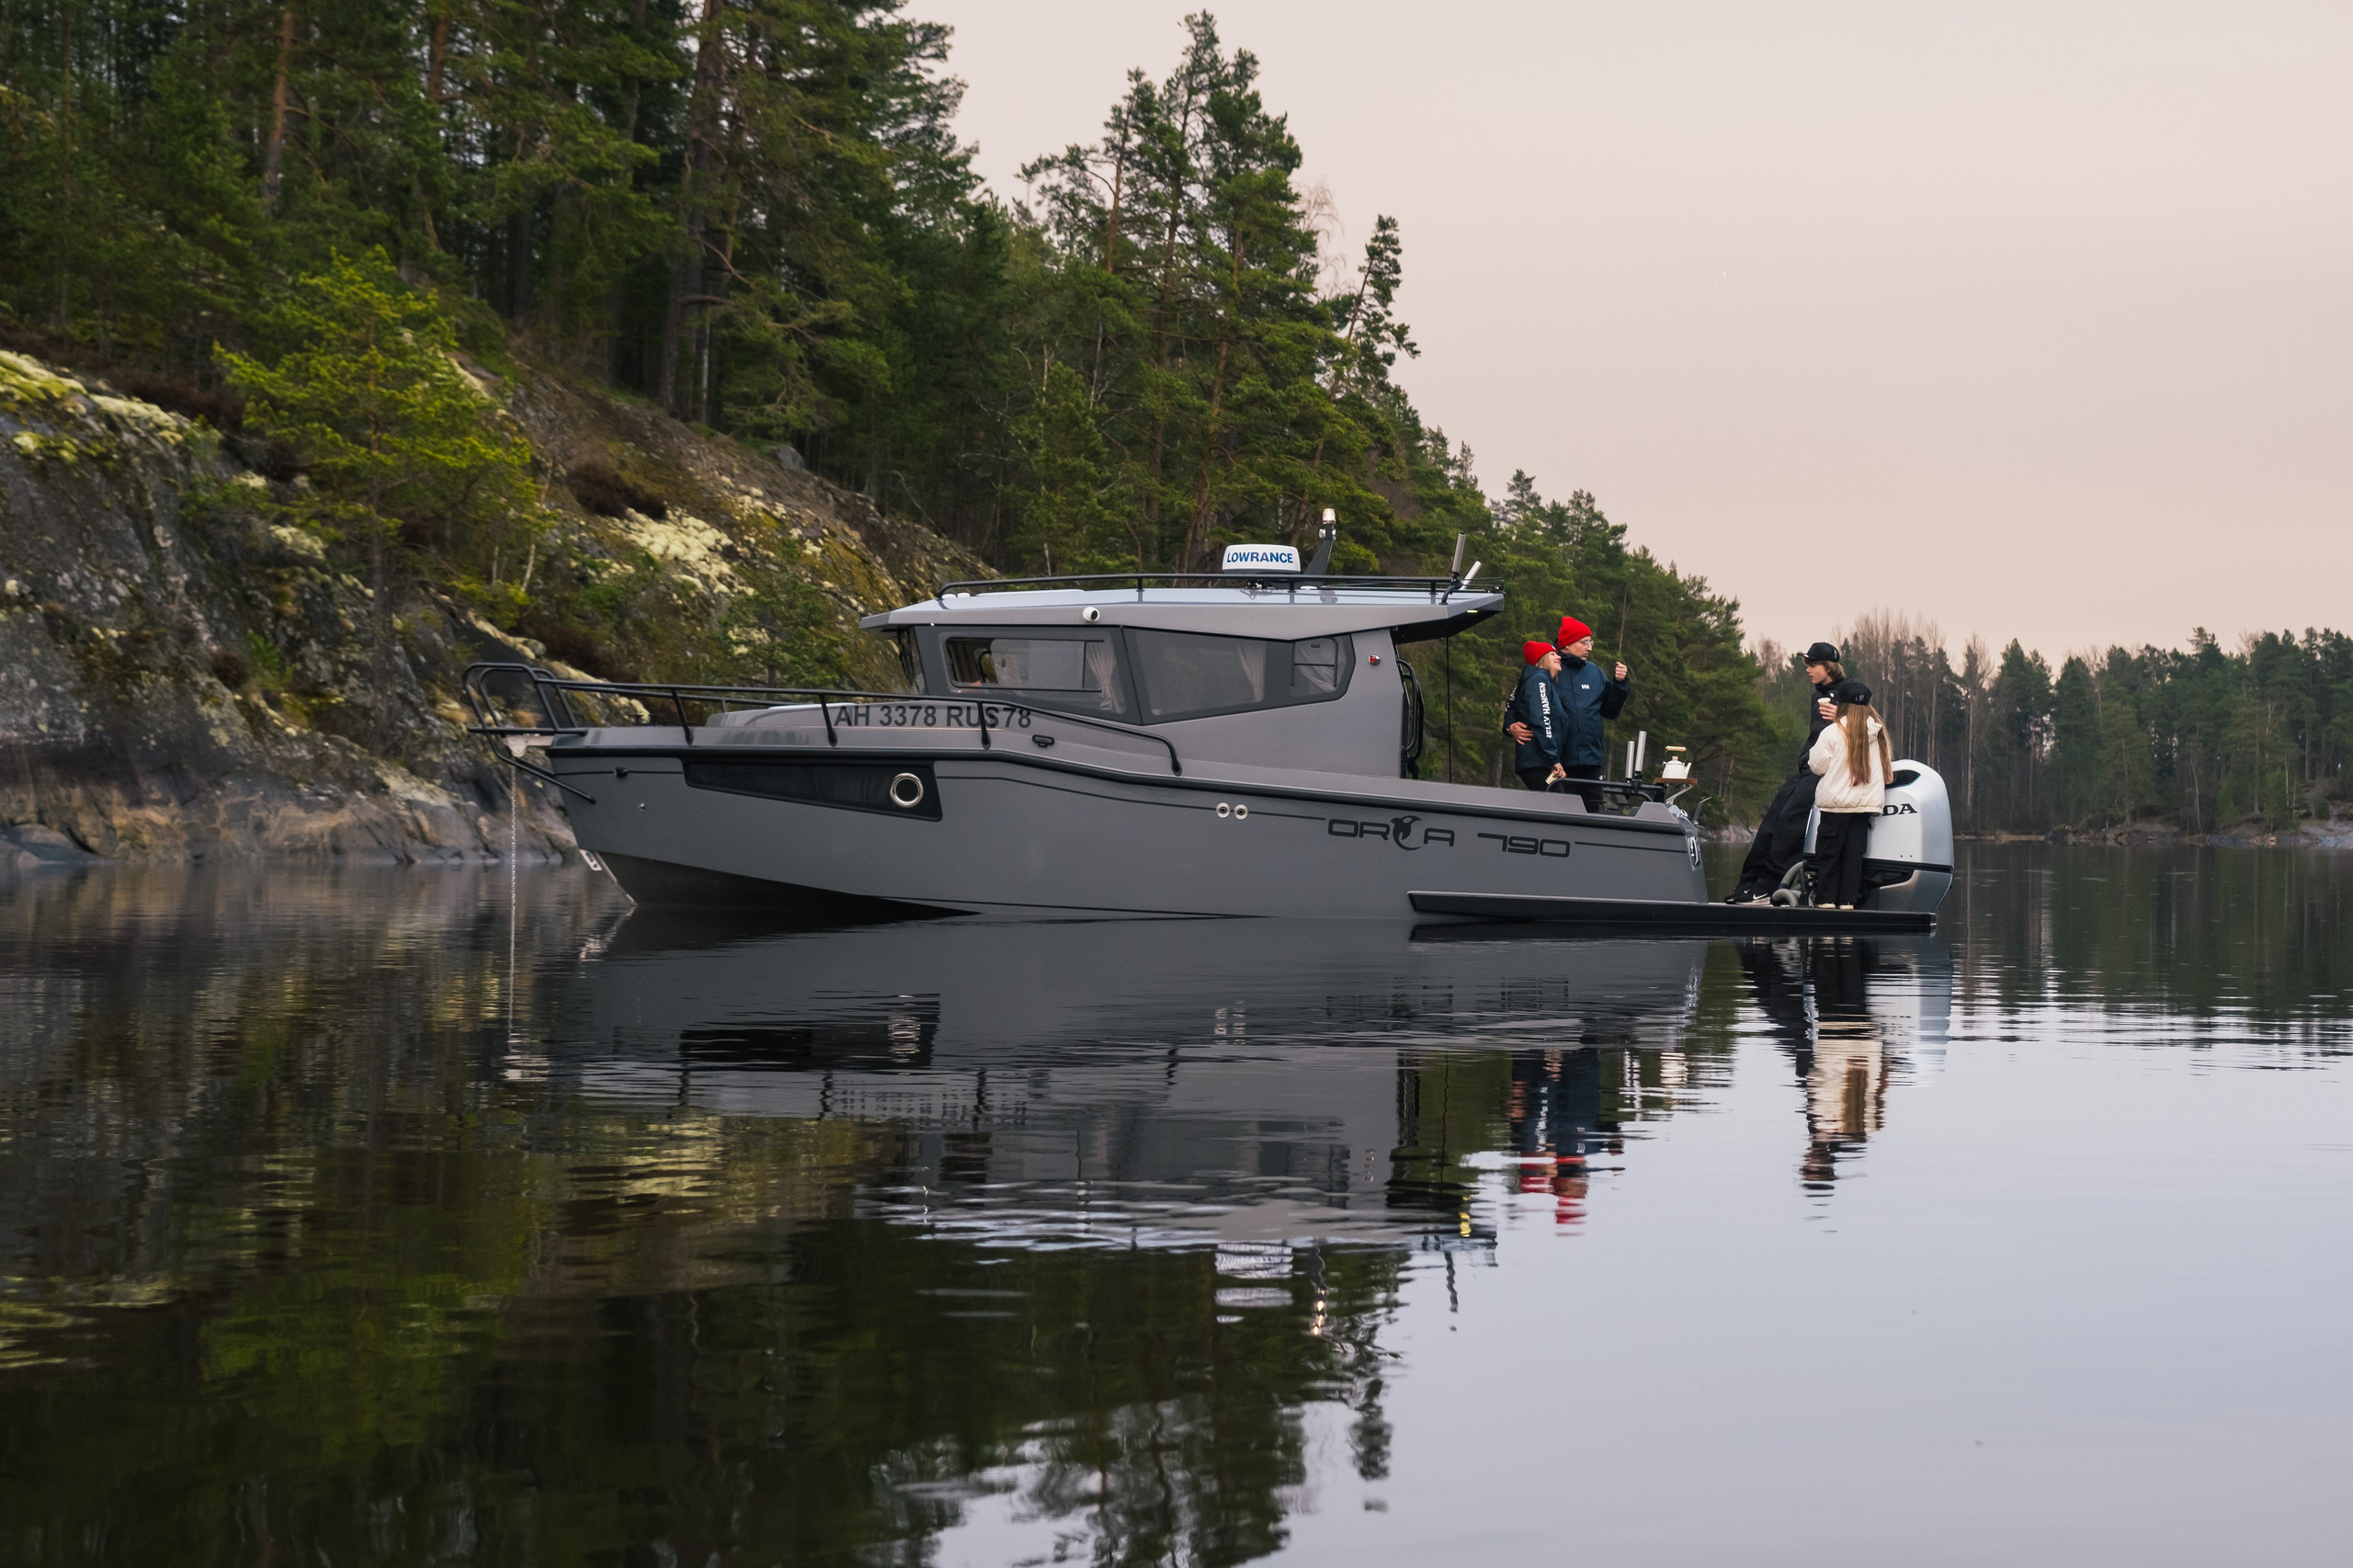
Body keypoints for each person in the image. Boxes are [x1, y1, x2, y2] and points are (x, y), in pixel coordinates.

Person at [1728, 642, 1845, 903]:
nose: (1808, 669)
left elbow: (1869, 726)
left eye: (1813, 665)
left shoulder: (1847, 697)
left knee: (1791, 822)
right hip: (1807, 769)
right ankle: (1748, 883)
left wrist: (1843, 716)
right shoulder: (1819, 695)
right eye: (1807, 664)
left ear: (1828, 667)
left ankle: (1769, 886)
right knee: (1772, 820)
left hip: (1825, 773)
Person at [1506, 616, 1630, 782]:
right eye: (1584, 643)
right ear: (1567, 644)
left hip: (1590, 759)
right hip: (1559, 759)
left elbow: (1610, 711)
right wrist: (1509, 725)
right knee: (1561, 804)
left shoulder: (1596, 673)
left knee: (1592, 807)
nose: (1589, 648)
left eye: (1590, 643)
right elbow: (1517, 700)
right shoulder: (1547, 669)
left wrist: (1620, 685)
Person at [1806, 677, 1893, 909]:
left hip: (1836, 807)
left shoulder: (1832, 732)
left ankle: (1825, 902)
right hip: (1863, 808)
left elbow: (1816, 765)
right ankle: (1847, 903)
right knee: (1853, 858)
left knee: (1829, 856)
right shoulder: (1877, 735)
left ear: (1841, 704)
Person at [1505, 640, 1568, 791]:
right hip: (1538, 761)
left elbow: (1512, 703)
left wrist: (1508, 724)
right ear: (1541, 661)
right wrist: (1553, 759)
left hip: (1540, 760)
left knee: (1556, 806)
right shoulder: (1539, 679)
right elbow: (1542, 719)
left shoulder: (1537, 680)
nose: (1558, 657)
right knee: (1557, 807)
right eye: (1552, 654)